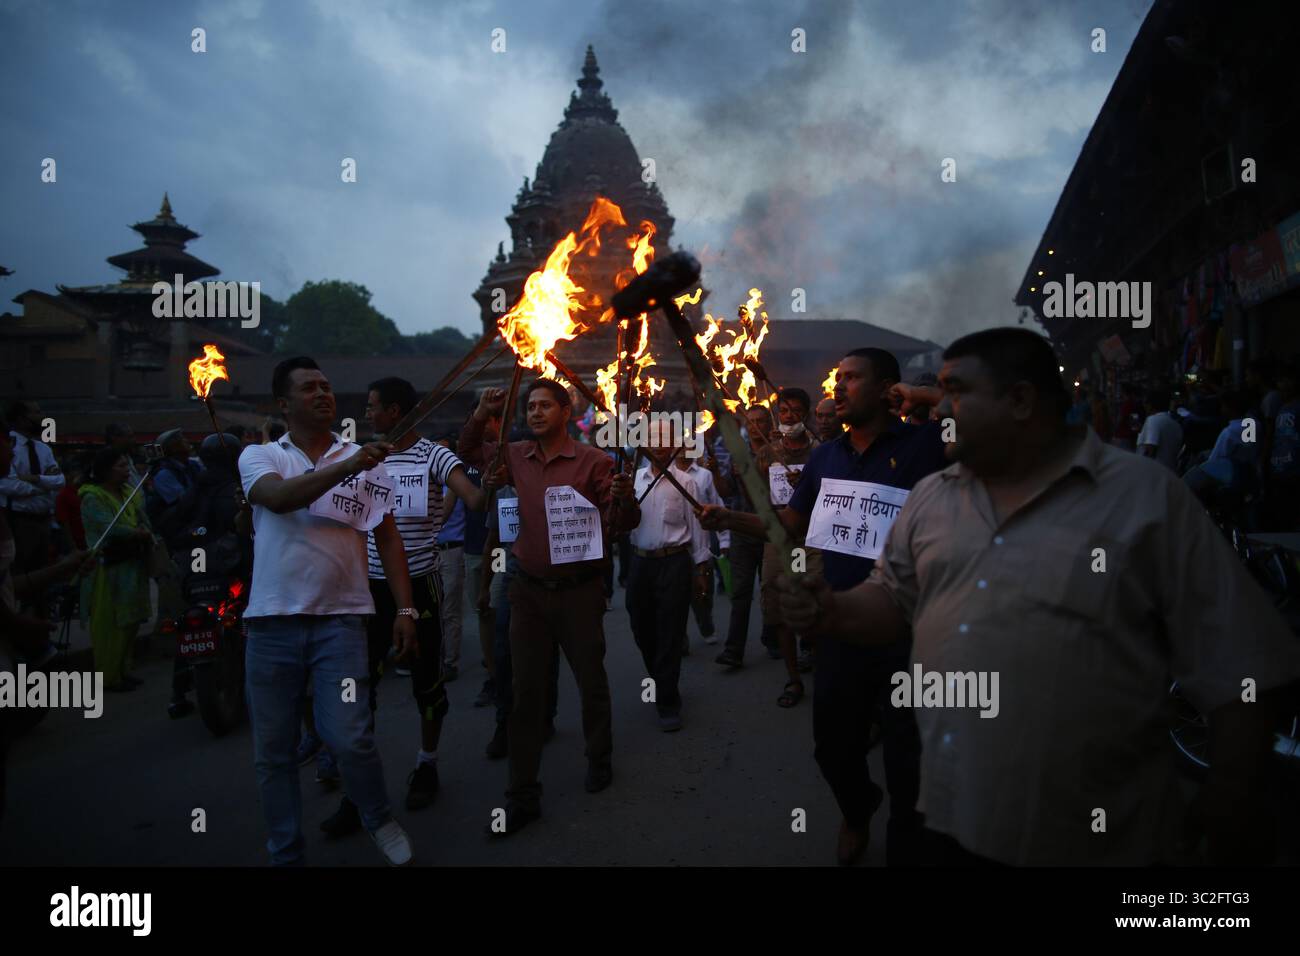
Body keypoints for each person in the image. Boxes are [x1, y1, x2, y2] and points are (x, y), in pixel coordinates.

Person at [778, 327, 1300, 865]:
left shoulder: (1143, 498)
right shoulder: (933, 496)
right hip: (952, 814)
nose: (935, 409)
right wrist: (831, 610)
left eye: (954, 392)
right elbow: (890, 600)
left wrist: (1231, 794)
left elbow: (1245, 666)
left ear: (1021, 400)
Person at [702, 347, 948, 866]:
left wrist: (923, 395)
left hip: (910, 630)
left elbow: (976, 418)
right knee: (834, 746)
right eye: (837, 377)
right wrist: (729, 518)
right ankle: (857, 810)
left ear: (887, 389)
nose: (838, 386)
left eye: (852, 378)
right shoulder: (825, 457)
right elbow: (789, 525)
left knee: (908, 757)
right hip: (839, 620)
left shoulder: (925, 444)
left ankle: (907, 845)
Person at [238, 356, 417, 867]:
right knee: (274, 753)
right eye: (308, 388)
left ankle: (377, 816)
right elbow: (279, 499)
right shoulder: (261, 456)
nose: (322, 393)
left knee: (351, 738)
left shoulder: (362, 457)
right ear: (284, 403)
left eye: (326, 386)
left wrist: (406, 608)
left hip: (342, 623)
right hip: (270, 626)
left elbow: (387, 537)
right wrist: (346, 467)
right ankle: (285, 852)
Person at [460, 379, 638, 836]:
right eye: (531, 407)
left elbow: (621, 524)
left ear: (566, 411)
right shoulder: (514, 455)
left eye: (545, 406)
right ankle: (522, 793)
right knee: (525, 692)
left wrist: (625, 498)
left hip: (579, 591)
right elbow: (469, 452)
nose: (536, 413)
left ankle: (599, 757)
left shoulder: (595, 461)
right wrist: (481, 413)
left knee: (590, 680)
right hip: (527, 591)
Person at [316, 377, 482, 834]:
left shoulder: (434, 455)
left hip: (421, 584)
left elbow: (472, 497)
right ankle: (358, 788)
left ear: (394, 411)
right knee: (359, 688)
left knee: (427, 684)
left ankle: (427, 763)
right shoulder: (365, 457)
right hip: (367, 588)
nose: (367, 414)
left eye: (373, 407)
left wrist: (487, 484)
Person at [627, 420, 717, 732]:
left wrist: (702, 568)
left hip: (675, 562)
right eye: (653, 439)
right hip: (640, 563)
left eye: (665, 439)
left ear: (675, 444)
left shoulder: (686, 483)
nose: (659, 445)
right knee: (641, 628)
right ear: (644, 445)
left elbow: (697, 529)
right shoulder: (633, 481)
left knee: (671, 631)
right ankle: (659, 678)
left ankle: (667, 700)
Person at [755, 388, 820, 702]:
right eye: (783, 411)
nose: (788, 416)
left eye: (795, 411)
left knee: (813, 599)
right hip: (779, 539)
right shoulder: (768, 451)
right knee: (778, 604)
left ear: (805, 414)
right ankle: (793, 679)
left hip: (810, 537)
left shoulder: (820, 450)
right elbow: (758, 494)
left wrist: (806, 488)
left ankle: (820, 664)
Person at [79, 446, 154, 692]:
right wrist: (137, 533)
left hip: (132, 562)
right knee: (110, 624)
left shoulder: (129, 493)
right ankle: (109, 675)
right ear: (105, 470)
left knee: (131, 621)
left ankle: (124, 669)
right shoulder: (92, 497)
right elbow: (108, 528)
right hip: (107, 567)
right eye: (121, 466)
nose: (127, 471)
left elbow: (142, 519)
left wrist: (145, 531)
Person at [713, 405, 779, 668]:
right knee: (740, 593)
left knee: (770, 591)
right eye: (750, 421)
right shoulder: (736, 454)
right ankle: (734, 650)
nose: (755, 426)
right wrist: (715, 472)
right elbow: (726, 491)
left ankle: (772, 638)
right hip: (742, 531)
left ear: (768, 425)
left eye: (760, 421)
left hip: (770, 533)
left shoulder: (778, 454)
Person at [2, 399, 65, 616]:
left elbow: (59, 480)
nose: (41, 416)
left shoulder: (43, 448)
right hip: (19, 521)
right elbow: (9, 485)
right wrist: (45, 485)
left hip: (44, 520)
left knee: (42, 578)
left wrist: (36, 479)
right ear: (21, 419)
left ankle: (39, 620)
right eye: (36, 412)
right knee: (21, 578)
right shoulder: (8, 446)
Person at [435, 431, 468, 681]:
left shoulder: (459, 485)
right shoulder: (423, 482)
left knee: (450, 610)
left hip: (452, 551)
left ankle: (449, 662)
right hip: (426, 552)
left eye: (445, 452)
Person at [1136, 387, 1183, 471]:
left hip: (1152, 472)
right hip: (1170, 471)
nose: (1144, 406)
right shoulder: (1176, 424)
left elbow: (1151, 448)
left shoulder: (1153, 420)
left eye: (1145, 403)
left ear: (1150, 405)